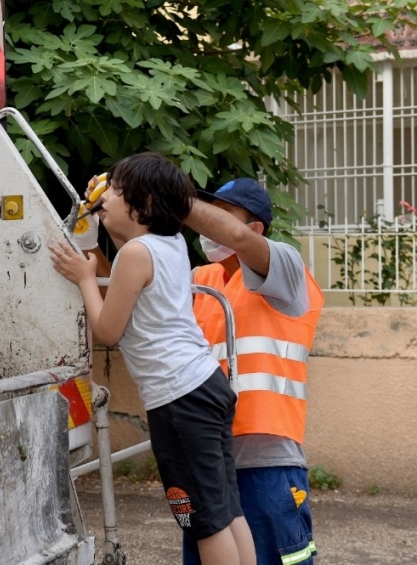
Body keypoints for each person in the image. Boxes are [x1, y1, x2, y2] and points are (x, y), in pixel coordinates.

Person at [50, 152, 256, 565]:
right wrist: (102, 211)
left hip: (178, 398)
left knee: (203, 520)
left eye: (118, 190)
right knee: (226, 507)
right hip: (206, 386)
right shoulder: (170, 243)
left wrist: (86, 278)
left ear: (144, 206)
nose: (107, 195)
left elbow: (108, 330)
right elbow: (130, 245)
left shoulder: (136, 254)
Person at [181, 178, 324, 565]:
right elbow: (129, 298)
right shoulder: (199, 280)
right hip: (208, 459)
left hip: (267, 464)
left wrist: (170, 197)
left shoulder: (287, 271)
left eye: (220, 215)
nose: (204, 225)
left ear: (255, 228)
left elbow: (241, 243)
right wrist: (94, 242)